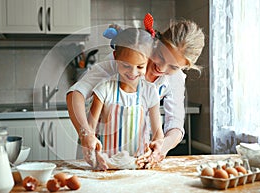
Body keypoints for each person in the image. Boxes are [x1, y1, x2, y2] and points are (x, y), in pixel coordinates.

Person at [66, 17, 205, 169]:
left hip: (136, 158)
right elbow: (76, 93)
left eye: (173, 67)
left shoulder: (175, 78)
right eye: (160, 56)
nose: (162, 69)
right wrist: (86, 134)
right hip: (98, 153)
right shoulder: (124, 61)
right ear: (156, 44)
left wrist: (161, 147)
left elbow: (175, 124)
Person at [87, 28, 164, 169]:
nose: (133, 73)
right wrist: (91, 147)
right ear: (116, 56)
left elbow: (158, 133)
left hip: (139, 166)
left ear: (149, 60)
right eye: (126, 65)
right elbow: (89, 130)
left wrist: (157, 146)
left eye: (140, 67)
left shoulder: (149, 91)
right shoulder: (104, 89)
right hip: (106, 166)